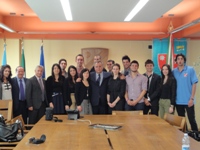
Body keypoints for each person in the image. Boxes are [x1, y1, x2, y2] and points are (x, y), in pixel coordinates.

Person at [173, 53, 199, 131]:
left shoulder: (190, 70)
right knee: (182, 121)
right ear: (176, 61)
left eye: (181, 59)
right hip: (178, 101)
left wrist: (192, 98)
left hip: (189, 101)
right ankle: (186, 135)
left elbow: (194, 84)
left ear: (184, 60)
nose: (180, 60)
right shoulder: (173, 71)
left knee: (192, 119)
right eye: (178, 59)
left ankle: (196, 136)